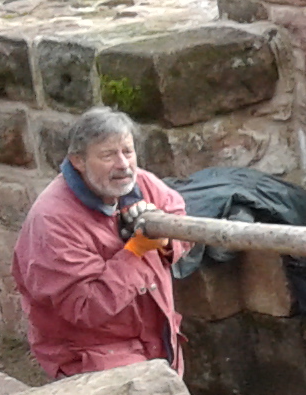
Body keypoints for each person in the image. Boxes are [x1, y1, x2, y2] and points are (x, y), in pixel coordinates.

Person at [12, 107, 190, 379]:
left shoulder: (141, 184)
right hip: (94, 354)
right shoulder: (53, 221)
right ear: (78, 161)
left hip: (157, 338)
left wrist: (167, 241)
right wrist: (136, 252)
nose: (123, 164)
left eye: (128, 151)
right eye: (108, 155)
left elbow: (181, 220)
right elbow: (85, 307)